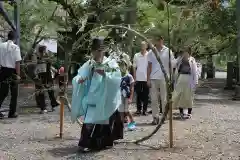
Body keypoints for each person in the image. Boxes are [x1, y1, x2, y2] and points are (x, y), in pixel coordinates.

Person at [71, 38, 123, 152]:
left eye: (100, 51)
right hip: (93, 95)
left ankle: (103, 143)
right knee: (89, 119)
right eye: (95, 50)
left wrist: (106, 74)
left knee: (105, 120)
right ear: (92, 51)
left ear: (103, 51)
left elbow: (117, 77)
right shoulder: (89, 63)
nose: (97, 53)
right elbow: (80, 75)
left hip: (106, 96)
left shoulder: (110, 63)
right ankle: (84, 143)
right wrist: (79, 80)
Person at [147, 36, 176, 125]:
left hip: (164, 77)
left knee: (164, 98)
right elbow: (149, 66)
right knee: (154, 99)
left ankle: (164, 116)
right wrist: (148, 79)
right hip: (153, 78)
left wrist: (171, 78)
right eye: (157, 40)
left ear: (162, 40)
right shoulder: (151, 52)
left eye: (160, 40)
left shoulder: (168, 51)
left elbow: (172, 65)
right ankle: (155, 117)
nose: (159, 41)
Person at [0, 31, 21, 119]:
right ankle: (12, 113)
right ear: (15, 38)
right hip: (12, 72)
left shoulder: (1, 46)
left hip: (3, 70)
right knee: (14, 93)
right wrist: (18, 74)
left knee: (2, 92)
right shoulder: (15, 47)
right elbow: (17, 62)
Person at [173, 47, 198, 119]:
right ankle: (181, 112)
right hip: (181, 77)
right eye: (184, 52)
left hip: (189, 78)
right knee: (180, 95)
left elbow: (195, 71)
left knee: (189, 96)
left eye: (186, 52)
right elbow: (173, 64)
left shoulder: (192, 60)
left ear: (189, 52)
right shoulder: (180, 59)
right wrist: (177, 58)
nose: (185, 53)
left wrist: (195, 81)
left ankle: (189, 113)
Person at [34, 45, 59, 114]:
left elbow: (49, 66)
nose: (47, 51)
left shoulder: (46, 58)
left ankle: (51, 106)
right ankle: (44, 108)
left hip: (46, 76)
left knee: (50, 92)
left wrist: (54, 70)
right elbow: (38, 69)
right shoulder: (39, 58)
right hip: (43, 77)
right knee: (44, 92)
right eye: (46, 50)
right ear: (43, 51)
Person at [119, 59, 136, 130]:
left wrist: (131, 98)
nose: (121, 67)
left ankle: (132, 122)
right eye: (120, 65)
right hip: (119, 96)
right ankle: (121, 125)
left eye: (123, 65)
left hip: (127, 96)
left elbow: (132, 88)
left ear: (126, 66)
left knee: (127, 110)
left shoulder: (129, 76)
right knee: (121, 111)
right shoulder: (117, 76)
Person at [133, 41, 149, 115]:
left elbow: (150, 66)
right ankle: (138, 109)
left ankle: (145, 110)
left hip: (146, 78)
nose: (142, 46)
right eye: (141, 45)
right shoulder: (136, 55)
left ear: (146, 46)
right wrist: (134, 77)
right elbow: (134, 67)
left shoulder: (149, 54)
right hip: (138, 77)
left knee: (146, 95)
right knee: (138, 94)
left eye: (144, 45)